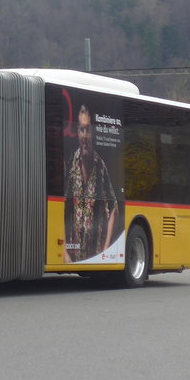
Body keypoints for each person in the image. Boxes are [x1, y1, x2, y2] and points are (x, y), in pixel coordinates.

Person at [64, 104, 120, 262]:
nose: (84, 136)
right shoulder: (70, 165)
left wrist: (105, 251)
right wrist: (64, 253)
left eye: (88, 130)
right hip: (73, 256)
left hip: (95, 256)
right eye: (82, 130)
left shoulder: (101, 166)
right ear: (77, 132)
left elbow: (114, 208)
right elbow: (60, 209)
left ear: (93, 133)